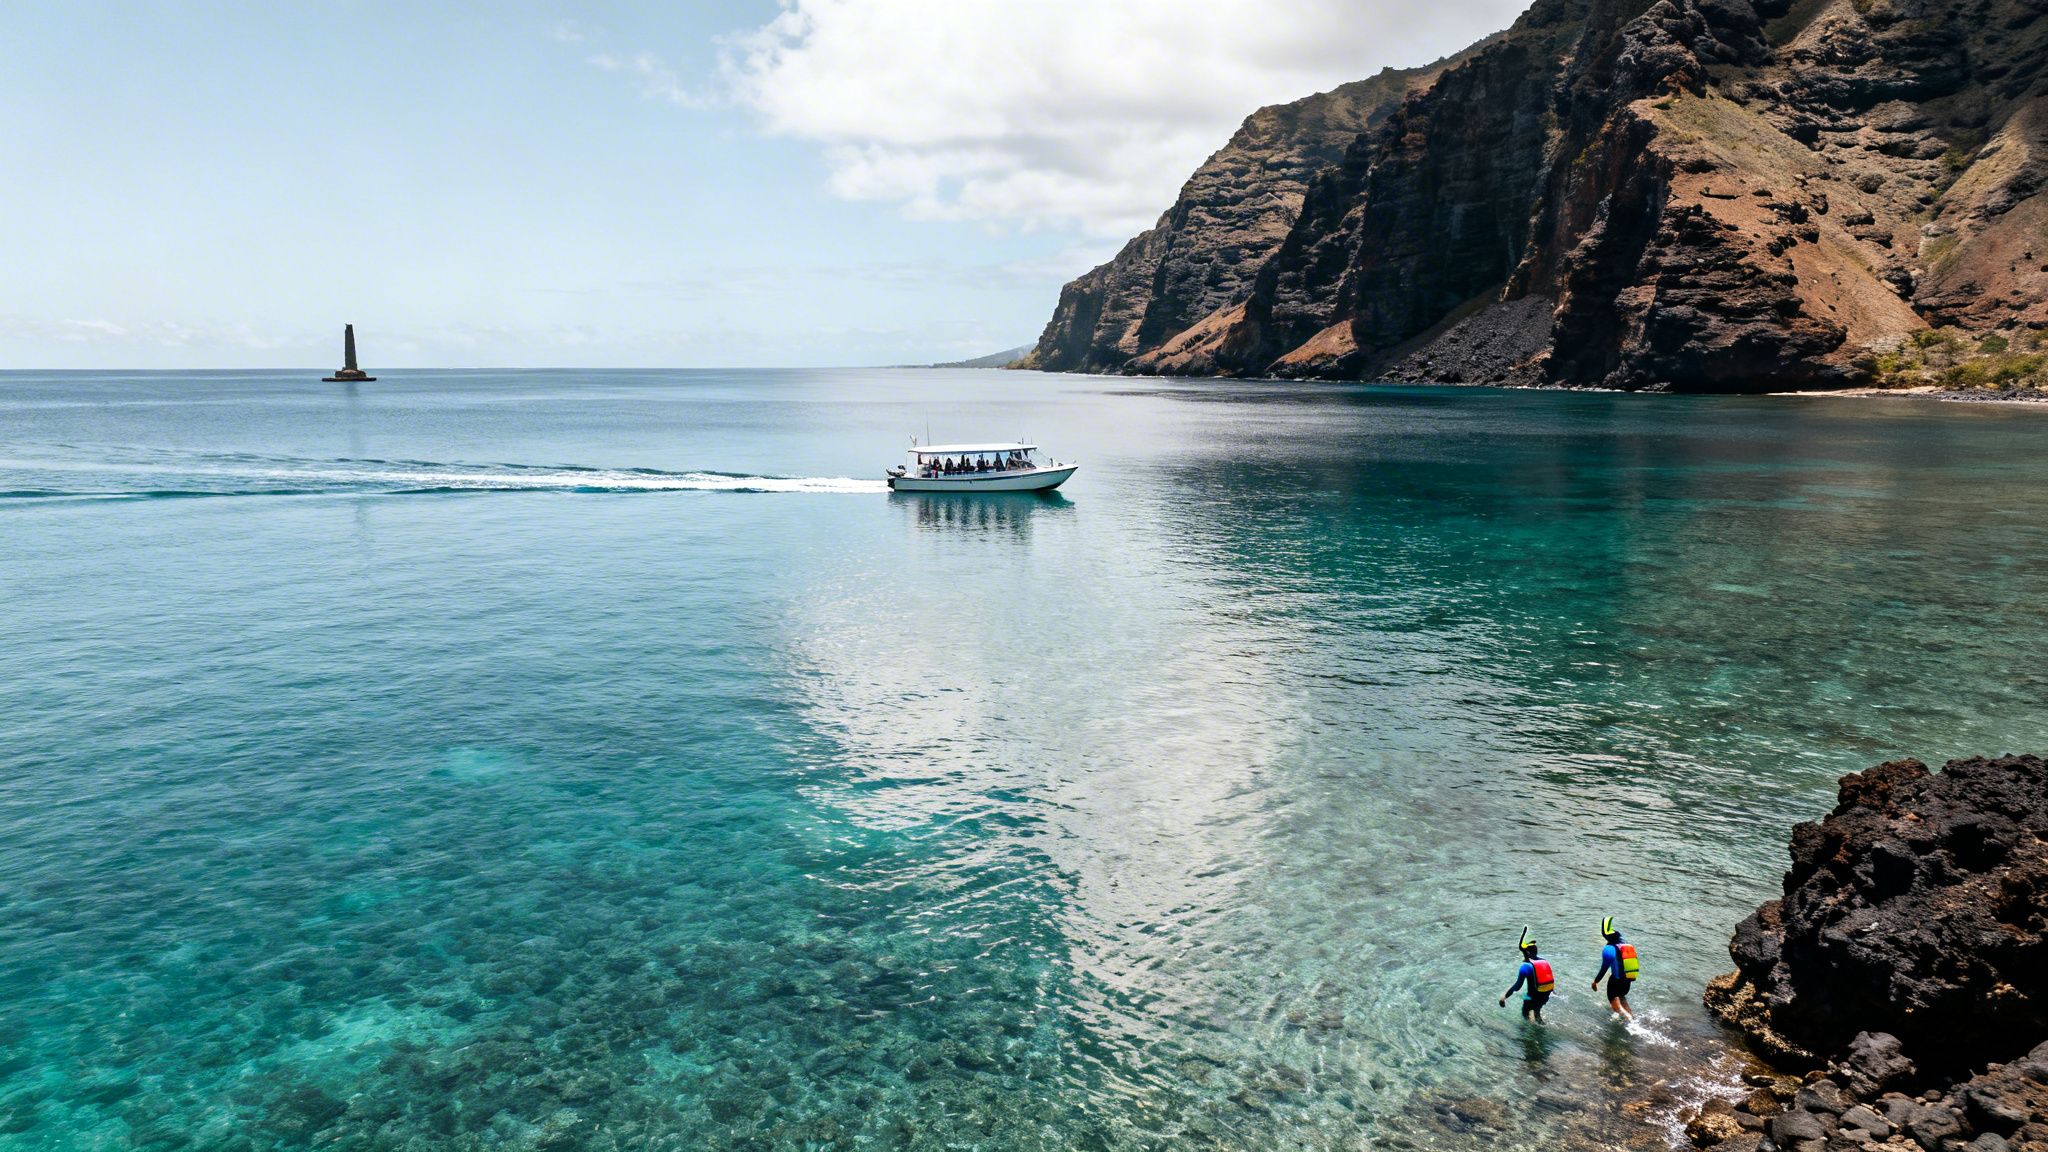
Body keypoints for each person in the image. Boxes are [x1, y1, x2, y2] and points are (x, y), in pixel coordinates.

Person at [1499, 929, 1554, 1023]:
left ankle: (1528, 1036)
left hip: (1533, 996)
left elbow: (1517, 986)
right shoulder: (1544, 961)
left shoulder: (1525, 967)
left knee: (1525, 1014)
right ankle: (1540, 1025)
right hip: (1545, 995)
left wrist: (1504, 997)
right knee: (1537, 1013)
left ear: (1527, 953)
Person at [1591, 916, 1639, 1020]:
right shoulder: (1624, 945)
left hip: (1615, 981)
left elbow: (1604, 969)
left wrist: (1595, 982)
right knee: (1621, 997)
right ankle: (1632, 1017)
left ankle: (1628, 1020)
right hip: (1627, 981)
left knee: (1613, 999)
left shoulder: (1608, 949)